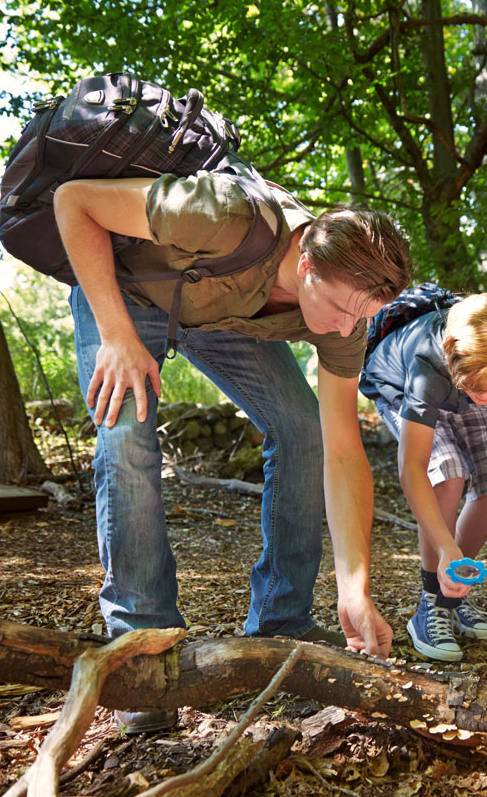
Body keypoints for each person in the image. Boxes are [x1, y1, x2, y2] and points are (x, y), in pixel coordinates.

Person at [53, 168, 411, 731]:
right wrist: (117, 335)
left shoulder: (348, 314)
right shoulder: (220, 212)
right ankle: (142, 652)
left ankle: (281, 620)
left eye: (360, 319)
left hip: (226, 318)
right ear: (308, 265)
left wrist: (354, 590)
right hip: (129, 295)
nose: (346, 332)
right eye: (341, 311)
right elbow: (74, 201)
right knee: (127, 438)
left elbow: (343, 452)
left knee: (303, 430)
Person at [359, 291, 487, 662]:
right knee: (448, 473)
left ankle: (452, 590)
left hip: (469, 375)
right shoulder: (427, 367)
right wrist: (445, 547)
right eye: (481, 389)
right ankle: (431, 603)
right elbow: (413, 468)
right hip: (405, 384)